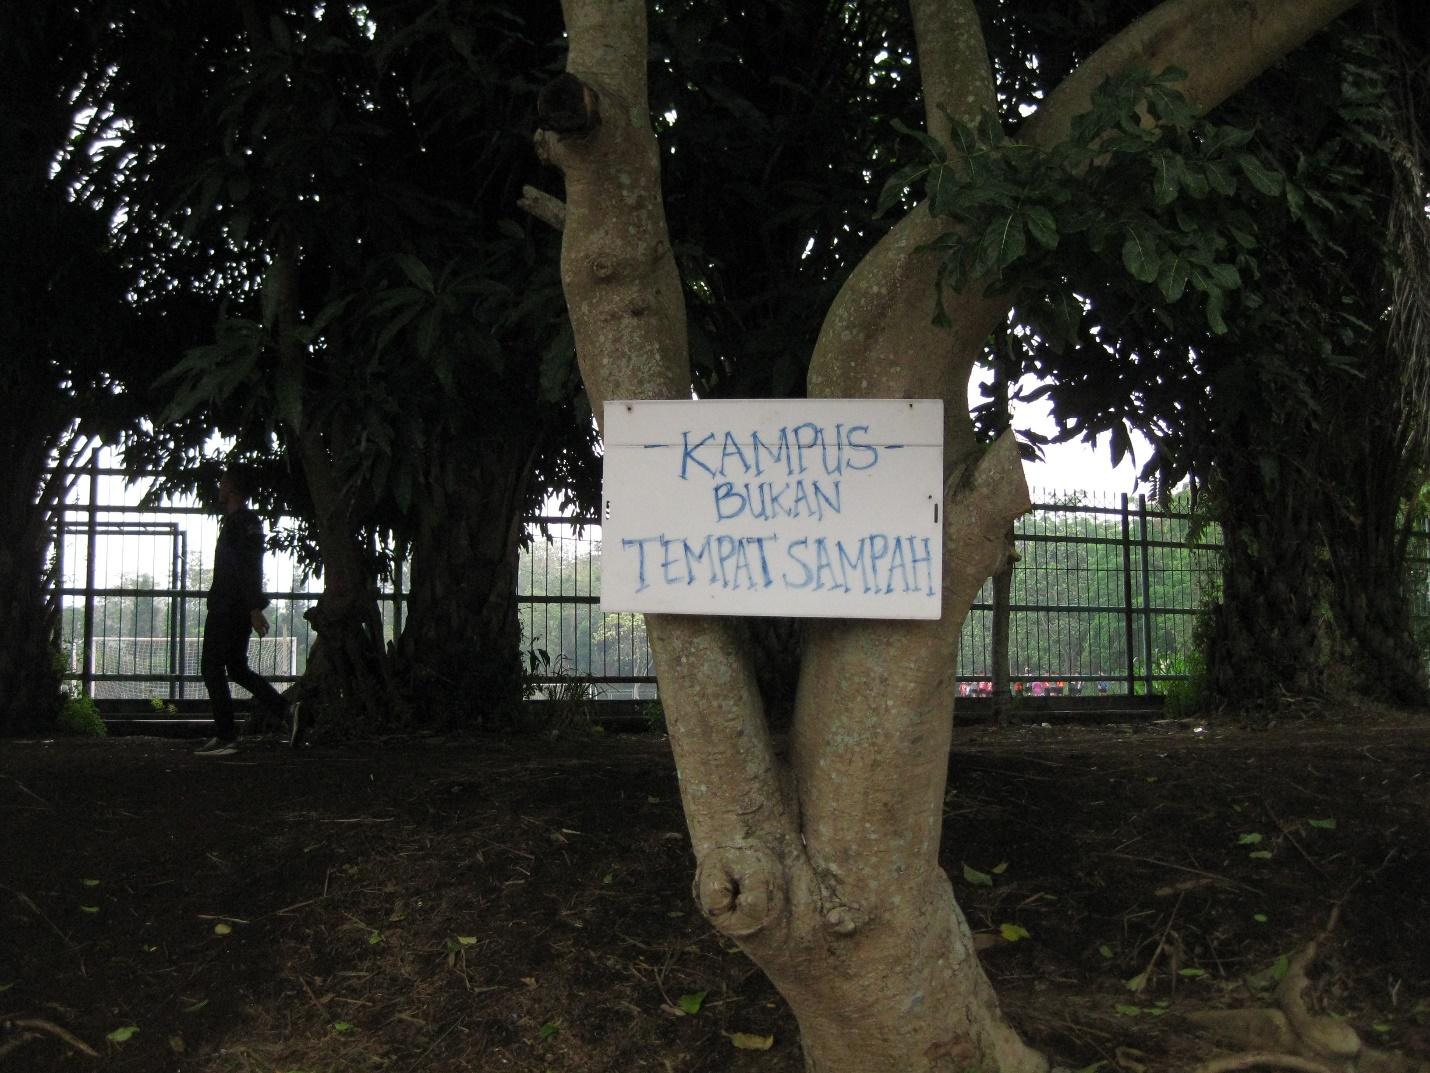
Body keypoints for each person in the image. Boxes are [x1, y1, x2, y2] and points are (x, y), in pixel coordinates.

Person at [194, 469, 286, 756]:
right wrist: (252, 606)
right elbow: (249, 568)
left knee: (212, 667)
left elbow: (246, 569)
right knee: (235, 668)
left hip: (228, 607)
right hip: (236, 606)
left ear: (232, 490)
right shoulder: (244, 523)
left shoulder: (240, 525)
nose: (219, 488)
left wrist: (253, 606)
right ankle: (287, 711)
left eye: (223, 483)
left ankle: (226, 735)